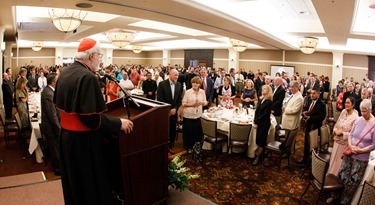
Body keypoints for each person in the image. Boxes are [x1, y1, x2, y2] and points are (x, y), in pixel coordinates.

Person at [53, 38, 134, 205]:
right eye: (99, 55)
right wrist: (119, 123)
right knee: (89, 186)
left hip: (67, 138)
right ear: (91, 56)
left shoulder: (65, 72)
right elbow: (90, 118)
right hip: (83, 142)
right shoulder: (87, 77)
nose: (100, 59)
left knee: (74, 184)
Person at [338, 99, 375, 204]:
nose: (363, 114)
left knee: (352, 182)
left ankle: (344, 202)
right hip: (350, 153)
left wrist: (361, 150)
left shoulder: (374, 125)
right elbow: (350, 134)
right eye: (361, 111)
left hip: (361, 158)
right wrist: (350, 145)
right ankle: (336, 195)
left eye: (365, 111)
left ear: (370, 109)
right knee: (342, 175)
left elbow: (374, 145)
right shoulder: (358, 119)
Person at [327, 97, 358, 178]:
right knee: (333, 161)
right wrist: (335, 130)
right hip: (337, 141)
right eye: (345, 103)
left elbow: (354, 135)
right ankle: (329, 177)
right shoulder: (343, 111)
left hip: (345, 145)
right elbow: (337, 123)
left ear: (353, 105)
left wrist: (343, 133)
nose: (346, 104)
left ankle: (335, 180)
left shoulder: (355, 117)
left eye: (348, 103)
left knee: (339, 164)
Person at [298, 87, 326, 165]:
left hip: (314, 127)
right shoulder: (311, 101)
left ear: (318, 94)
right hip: (309, 125)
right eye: (311, 93)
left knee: (312, 146)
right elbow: (311, 111)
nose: (312, 95)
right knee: (306, 144)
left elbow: (322, 117)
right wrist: (306, 113)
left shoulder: (321, 104)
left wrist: (311, 117)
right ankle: (305, 160)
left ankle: (311, 163)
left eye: (314, 93)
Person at [157, 69, 183, 153]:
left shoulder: (179, 85)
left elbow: (179, 99)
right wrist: (168, 110)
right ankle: (163, 146)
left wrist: (175, 108)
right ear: (170, 74)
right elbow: (159, 99)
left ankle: (170, 146)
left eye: (177, 75)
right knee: (164, 130)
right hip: (164, 112)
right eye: (175, 75)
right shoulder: (162, 84)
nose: (177, 77)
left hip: (174, 111)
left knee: (172, 129)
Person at [41, 73, 61, 176]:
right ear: (53, 82)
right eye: (57, 80)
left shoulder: (49, 91)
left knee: (56, 149)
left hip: (51, 125)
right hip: (51, 127)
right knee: (55, 150)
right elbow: (52, 115)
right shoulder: (49, 94)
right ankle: (57, 170)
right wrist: (59, 129)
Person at [181, 76, 207, 152]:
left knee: (197, 133)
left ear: (200, 84)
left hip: (198, 115)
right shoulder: (188, 92)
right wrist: (192, 104)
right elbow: (183, 103)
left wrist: (202, 103)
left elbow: (205, 102)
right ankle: (188, 147)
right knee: (189, 133)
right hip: (188, 116)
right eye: (193, 82)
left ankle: (196, 147)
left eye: (197, 83)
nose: (195, 84)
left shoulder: (202, 91)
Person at [252, 85, 273, 166]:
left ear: (268, 91)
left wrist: (257, 122)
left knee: (261, 141)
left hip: (264, 124)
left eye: (265, 89)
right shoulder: (261, 99)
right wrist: (255, 121)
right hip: (259, 122)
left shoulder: (269, 102)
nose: (262, 90)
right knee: (258, 139)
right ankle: (259, 154)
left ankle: (259, 157)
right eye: (262, 89)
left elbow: (265, 115)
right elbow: (257, 111)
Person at [281, 81, 304, 150]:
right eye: (290, 87)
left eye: (292, 87)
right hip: (288, 121)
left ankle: (290, 154)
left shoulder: (299, 97)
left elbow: (295, 110)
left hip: (292, 122)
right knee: (287, 138)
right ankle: (287, 151)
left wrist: (285, 109)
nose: (290, 88)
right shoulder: (293, 95)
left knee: (290, 140)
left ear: (297, 87)